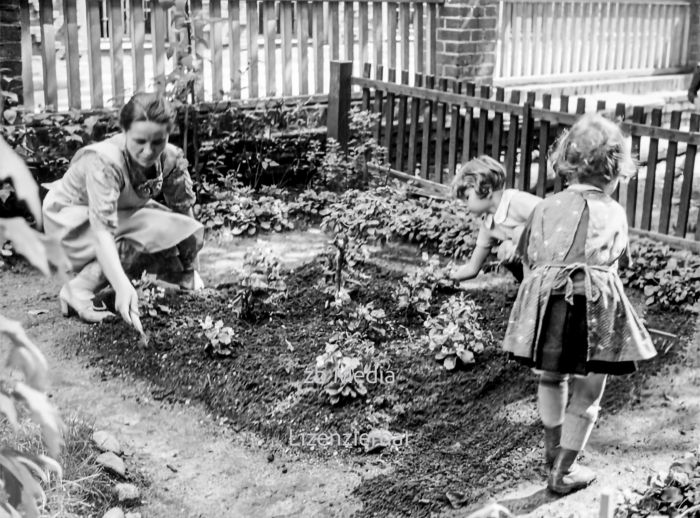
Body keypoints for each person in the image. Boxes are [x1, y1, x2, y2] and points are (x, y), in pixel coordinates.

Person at [502, 113, 657, 495]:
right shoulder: (615, 212)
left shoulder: (543, 207)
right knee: (588, 391)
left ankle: (552, 451)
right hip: (593, 311)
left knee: (552, 377)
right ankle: (564, 470)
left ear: (568, 163)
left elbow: (531, 258)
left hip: (549, 305)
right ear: (615, 171)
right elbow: (614, 261)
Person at [42, 92, 204, 327]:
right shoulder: (106, 163)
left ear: (168, 134)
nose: (149, 151)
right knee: (144, 231)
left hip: (116, 215)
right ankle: (78, 290)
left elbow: (185, 218)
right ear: (124, 131)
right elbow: (102, 233)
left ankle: (150, 277)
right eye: (139, 141)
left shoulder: (170, 159)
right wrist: (122, 287)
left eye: (157, 141)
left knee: (168, 227)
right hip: (70, 220)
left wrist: (190, 271)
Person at [449, 155, 541, 283]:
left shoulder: (516, 201)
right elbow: (472, 268)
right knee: (504, 249)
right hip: (534, 265)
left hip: (557, 251)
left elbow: (551, 216)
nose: (463, 204)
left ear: (486, 189)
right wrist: (446, 277)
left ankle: (539, 288)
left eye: (467, 197)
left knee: (518, 233)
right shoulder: (488, 225)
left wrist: (520, 246)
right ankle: (528, 286)